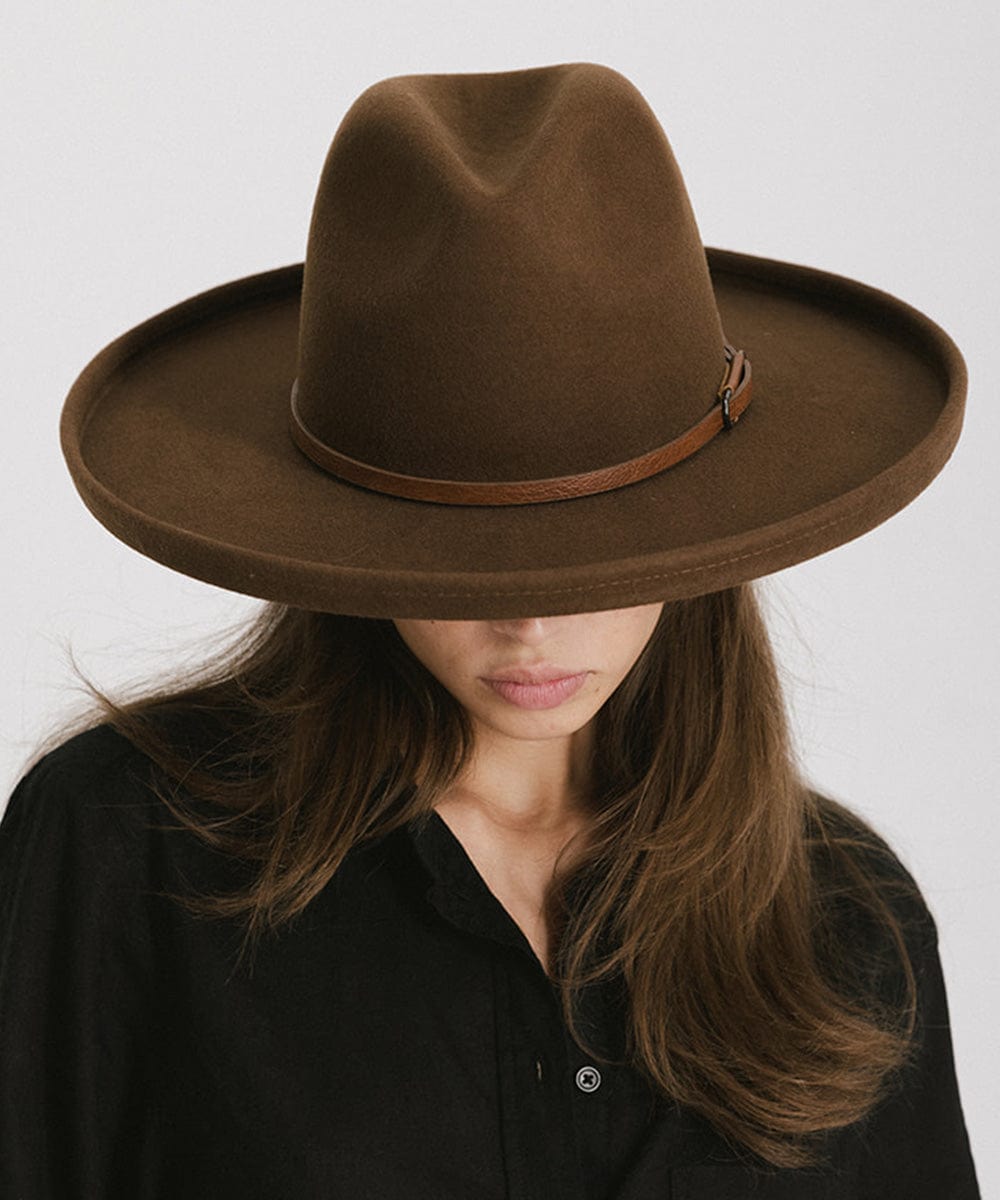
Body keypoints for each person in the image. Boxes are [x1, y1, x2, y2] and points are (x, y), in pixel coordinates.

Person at [0, 61, 979, 1199]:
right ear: (352, 539)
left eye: (600, 558)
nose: (530, 623)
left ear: (702, 539)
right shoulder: (123, 851)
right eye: (457, 556)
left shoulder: (846, 921)